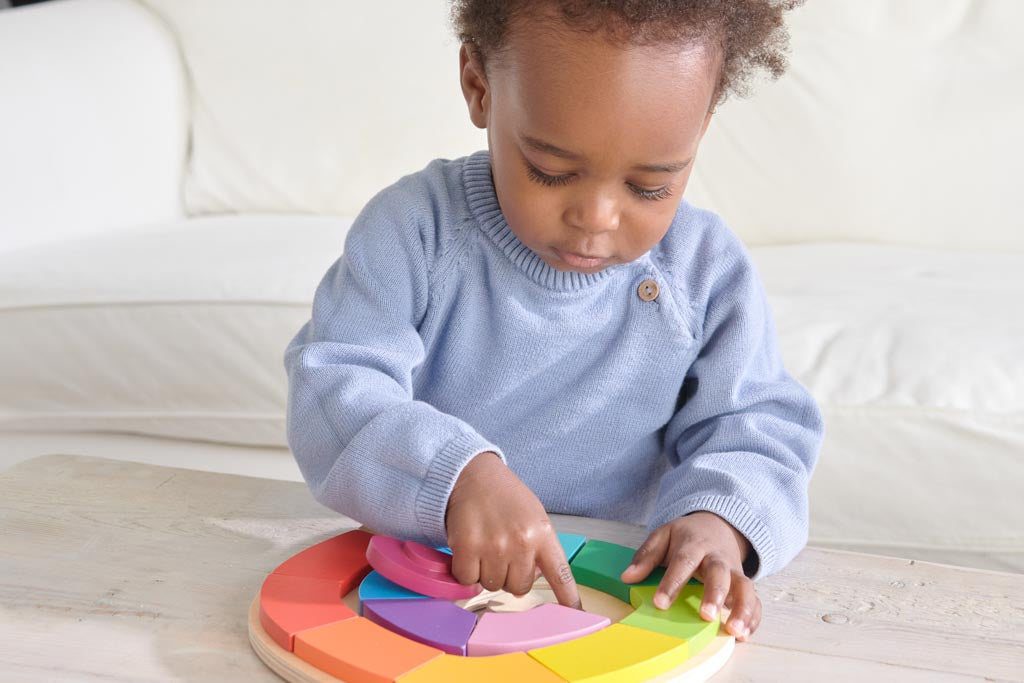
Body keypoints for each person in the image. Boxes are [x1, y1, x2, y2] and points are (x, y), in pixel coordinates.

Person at [285, 0, 821, 642]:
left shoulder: (705, 269)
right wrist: (456, 477)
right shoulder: (415, 231)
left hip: (610, 601)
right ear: (479, 87)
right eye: (552, 171)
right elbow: (333, 386)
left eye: (650, 186)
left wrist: (720, 520)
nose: (597, 217)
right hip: (428, 583)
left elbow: (755, 425)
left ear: (701, 128)